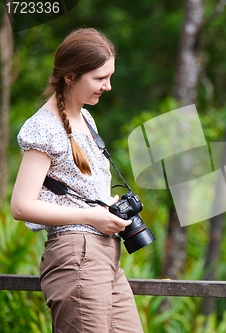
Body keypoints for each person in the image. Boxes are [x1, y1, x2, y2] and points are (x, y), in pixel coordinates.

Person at [11, 28, 144, 333]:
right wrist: (91, 216)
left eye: (109, 77)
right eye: (100, 78)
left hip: (106, 256)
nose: (108, 86)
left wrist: (108, 207)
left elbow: (78, 192)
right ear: (70, 76)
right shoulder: (43, 127)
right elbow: (21, 206)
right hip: (76, 254)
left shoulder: (86, 119)